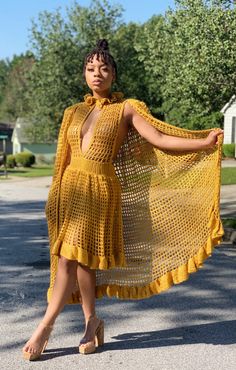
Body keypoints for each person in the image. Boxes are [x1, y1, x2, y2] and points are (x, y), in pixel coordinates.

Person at [22, 39, 224, 360]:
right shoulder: (73, 112)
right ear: (84, 74)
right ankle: (92, 322)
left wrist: (202, 143)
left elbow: (158, 137)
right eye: (90, 69)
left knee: (70, 261)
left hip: (101, 190)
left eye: (104, 69)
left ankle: (45, 326)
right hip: (71, 191)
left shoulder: (126, 108)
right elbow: (63, 160)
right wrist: (54, 198)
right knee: (80, 262)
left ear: (114, 75)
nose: (97, 74)